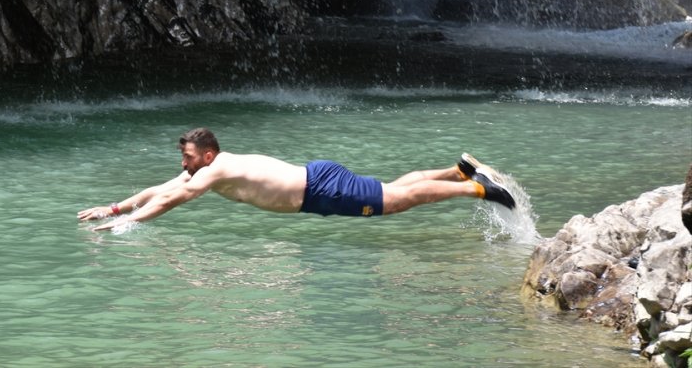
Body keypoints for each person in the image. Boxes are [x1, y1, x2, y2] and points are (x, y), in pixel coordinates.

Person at [78, 127, 516, 232]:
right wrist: (115, 207)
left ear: (206, 154)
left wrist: (127, 226)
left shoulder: (213, 171)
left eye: (189, 158)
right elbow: (162, 190)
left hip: (319, 189)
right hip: (316, 181)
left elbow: (171, 201)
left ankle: (477, 188)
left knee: (397, 201)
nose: (185, 165)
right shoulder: (209, 167)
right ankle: (458, 169)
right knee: (392, 188)